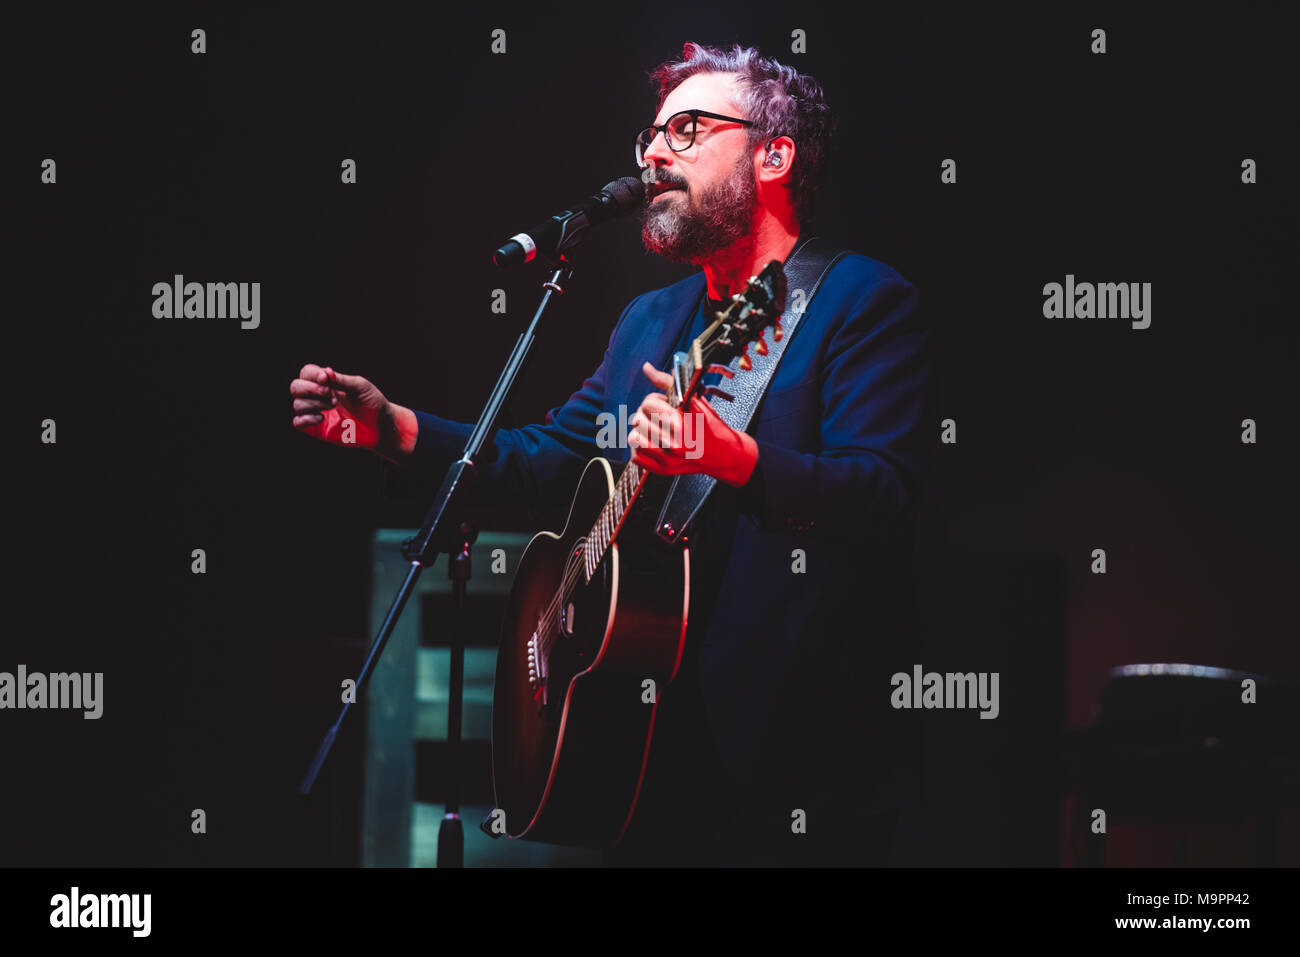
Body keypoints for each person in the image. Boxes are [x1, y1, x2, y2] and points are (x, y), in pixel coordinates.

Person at [290, 42, 935, 866]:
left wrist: (734, 458)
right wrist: (397, 429)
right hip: (643, 757)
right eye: (651, 137)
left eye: (689, 129)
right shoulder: (648, 321)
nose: (656, 154)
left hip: (794, 769)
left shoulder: (860, 301)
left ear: (774, 155)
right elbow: (543, 461)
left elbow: (885, 495)